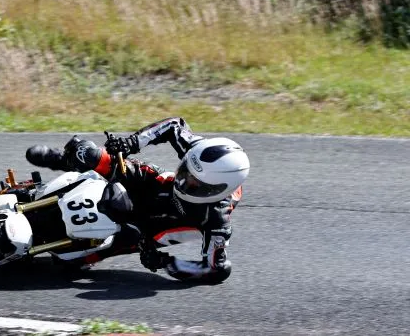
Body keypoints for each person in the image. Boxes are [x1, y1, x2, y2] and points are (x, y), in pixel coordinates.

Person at [26, 117, 250, 283]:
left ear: (216, 190)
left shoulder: (217, 222)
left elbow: (216, 270)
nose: (185, 181)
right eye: (186, 171)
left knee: (75, 260)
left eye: (194, 183)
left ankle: (87, 253)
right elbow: (173, 125)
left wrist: (165, 262)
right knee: (90, 154)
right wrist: (131, 143)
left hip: (167, 224)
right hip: (160, 186)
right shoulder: (199, 151)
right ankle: (64, 160)